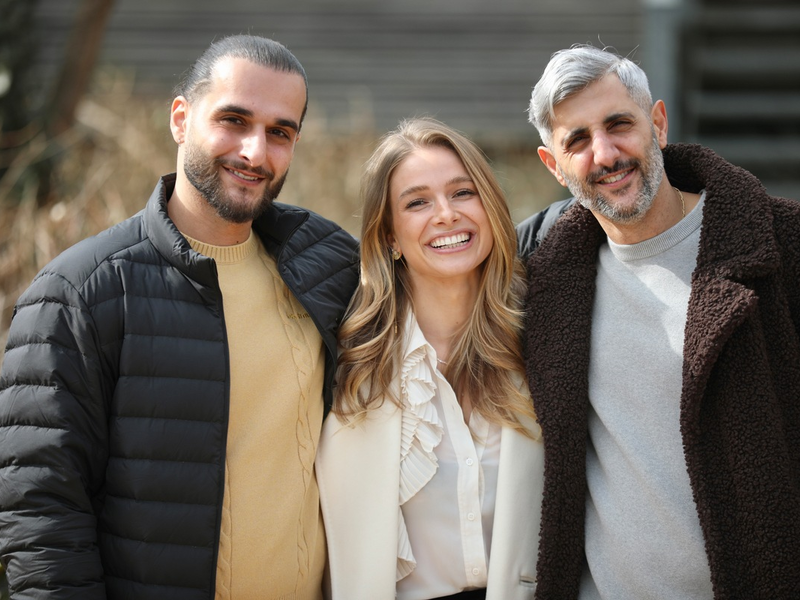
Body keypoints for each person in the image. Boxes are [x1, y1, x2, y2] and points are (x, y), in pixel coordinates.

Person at [0, 35, 359, 599]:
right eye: (234, 120)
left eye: (280, 132)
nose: (255, 152)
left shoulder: (330, 267)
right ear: (180, 119)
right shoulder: (80, 292)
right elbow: (42, 512)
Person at [517, 44, 800, 599]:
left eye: (618, 124)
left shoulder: (784, 245)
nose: (605, 154)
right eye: (578, 140)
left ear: (659, 124)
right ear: (553, 166)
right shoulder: (543, 286)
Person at [316, 117, 544, 600]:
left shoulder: (544, 341)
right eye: (417, 202)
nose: (446, 214)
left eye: (462, 193)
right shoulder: (350, 365)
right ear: (390, 236)